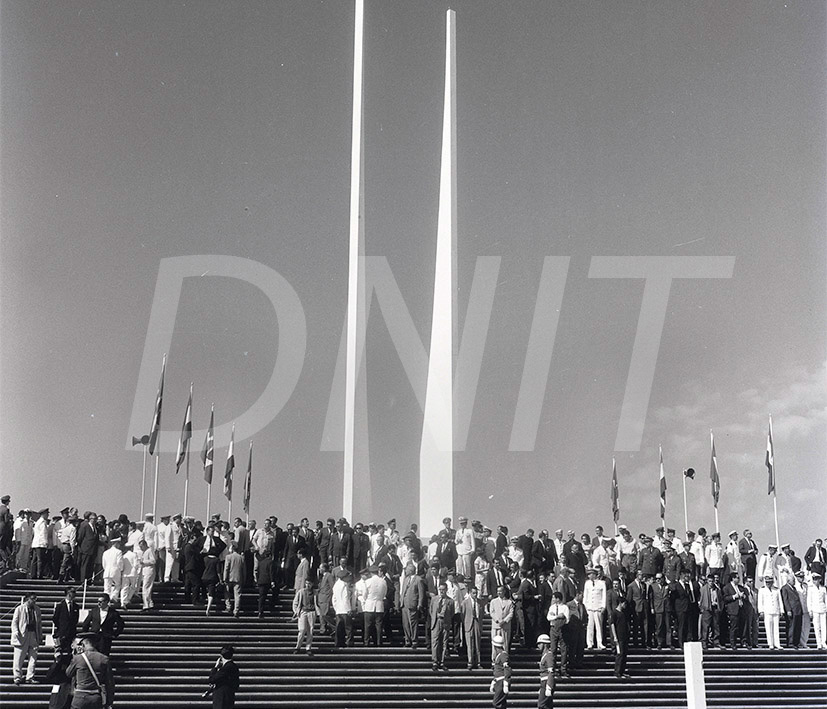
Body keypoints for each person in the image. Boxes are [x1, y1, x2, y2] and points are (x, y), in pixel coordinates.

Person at [66, 633, 115, 709]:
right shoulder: (104, 659)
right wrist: (109, 701)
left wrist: (74, 656)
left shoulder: (78, 658)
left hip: (80, 697)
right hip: (96, 698)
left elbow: (68, 673)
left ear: (84, 644)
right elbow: (110, 683)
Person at [11, 592, 43, 684]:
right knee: (19, 657)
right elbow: (14, 622)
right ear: (27, 599)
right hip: (22, 635)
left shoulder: (37, 609)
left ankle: (30, 676)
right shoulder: (19, 609)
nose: (34, 601)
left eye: (35, 599)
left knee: (33, 656)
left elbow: (39, 624)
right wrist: (16, 632)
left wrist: (40, 635)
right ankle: (17, 676)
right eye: (32, 599)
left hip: (33, 634)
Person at [400, 562, 427, 648]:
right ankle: (407, 640)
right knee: (406, 623)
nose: (405, 571)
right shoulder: (406, 579)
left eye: (407, 569)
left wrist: (420, 604)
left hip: (413, 604)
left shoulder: (418, 579)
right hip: (404, 604)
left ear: (411, 570)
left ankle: (414, 640)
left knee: (413, 623)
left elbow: (421, 593)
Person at [429, 582, 454, 671]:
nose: (441, 591)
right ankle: (435, 661)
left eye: (443, 590)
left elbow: (452, 613)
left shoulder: (450, 601)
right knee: (435, 642)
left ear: (446, 590)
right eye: (440, 590)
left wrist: (446, 619)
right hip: (436, 622)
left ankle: (442, 661)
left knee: (444, 643)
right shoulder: (434, 599)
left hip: (445, 622)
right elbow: (431, 610)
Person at [292, 578, 320, 655]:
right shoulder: (301, 592)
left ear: (312, 584)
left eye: (309, 584)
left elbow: (317, 602)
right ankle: (298, 647)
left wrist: (318, 611)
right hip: (303, 611)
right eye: (307, 583)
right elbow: (295, 602)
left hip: (311, 612)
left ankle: (308, 647)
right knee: (302, 629)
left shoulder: (315, 593)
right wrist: (296, 611)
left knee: (310, 630)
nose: (308, 585)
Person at [546, 591, 570, 678]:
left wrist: (561, 617)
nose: (553, 599)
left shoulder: (565, 607)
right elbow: (549, 617)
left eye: (554, 598)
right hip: (553, 629)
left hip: (562, 629)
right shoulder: (552, 607)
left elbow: (567, 619)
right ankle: (553, 668)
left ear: (558, 599)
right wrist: (557, 616)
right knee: (553, 649)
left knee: (564, 649)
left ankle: (563, 668)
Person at [488, 585, 514, 660]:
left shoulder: (509, 602)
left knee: (505, 644)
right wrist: (497, 620)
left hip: (505, 626)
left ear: (504, 592)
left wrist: (504, 621)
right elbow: (492, 612)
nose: (499, 593)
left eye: (500, 591)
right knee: (495, 643)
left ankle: (504, 660)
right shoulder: (493, 601)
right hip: (496, 626)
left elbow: (511, 613)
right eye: (498, 591)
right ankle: (494, 660)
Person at [52, 587, 80, 658]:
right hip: (62, 633)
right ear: (68, 593)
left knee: (71, 652)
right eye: (73, 592)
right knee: (59, 653)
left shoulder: (76, 606)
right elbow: (55, 618)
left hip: (72, 633)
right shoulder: (60, 606)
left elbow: (76, 619)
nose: (75, 594)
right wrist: (61, 627)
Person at [583, 568, 606, 650]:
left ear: (594, 575)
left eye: (591, 574)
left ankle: (600, 643)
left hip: (598, 607)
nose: (589, 576)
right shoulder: (587, 583)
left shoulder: (601, 583)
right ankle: (589, 643)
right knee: (590, 627)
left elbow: (604, 596)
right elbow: (585, 596)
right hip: (589, 608)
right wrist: (585, 607)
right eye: (588, 574)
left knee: (599, 626)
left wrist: (603, 606)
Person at [331, 569, 356, 648]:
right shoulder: (344, 585)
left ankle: (338, 642)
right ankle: (349, 642)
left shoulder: (336, 585)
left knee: (339, 628)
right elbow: (346, 598)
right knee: (348, 627)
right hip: (345, 610)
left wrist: (336, 608)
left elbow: (334, 599)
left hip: (338, 610)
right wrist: (349, 609)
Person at [461, 585, 483, 670]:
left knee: (477, 643)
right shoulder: (465, 602)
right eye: (473, 593)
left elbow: (482, 615)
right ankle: (470, 662)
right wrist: (465, 622)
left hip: (476, 622)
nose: (475, 594)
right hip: (468, 623)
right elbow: (462, 615)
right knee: (469, 644)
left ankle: (478, 662)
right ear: (470, 593)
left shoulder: (479, 602)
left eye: (476, 593)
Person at [757, 575, 783, 649]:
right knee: (768, 628)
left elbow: (780, 601)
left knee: (776, 628)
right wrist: (761, 611)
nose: (768, 583)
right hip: (767, 611)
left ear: (772, 582)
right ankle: (770, 643)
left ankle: (777, 643)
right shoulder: (762, 590)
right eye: (767, 582)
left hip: (776, 610)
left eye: (770, 582)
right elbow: (760, 601)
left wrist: (782, 610)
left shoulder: (776, 590)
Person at [780, 572, 803, 648]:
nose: (794, 581)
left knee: (797, 627)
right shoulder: (784, 588)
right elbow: (785, 600)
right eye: (793, 580)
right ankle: (790, 642)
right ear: (788, 580)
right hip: (791, 610)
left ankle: (796, 642)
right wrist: (788, 610)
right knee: (791, 627)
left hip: (798, 610)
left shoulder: (794, 588)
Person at [648, 572, 670, 649]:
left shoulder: (667, 586)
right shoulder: (653, 586)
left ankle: (669, 642)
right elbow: (651, 598)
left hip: (666, 608)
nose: (658, 580)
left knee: (668, 626)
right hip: (658, 608)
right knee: (659, 626)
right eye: (656, 578)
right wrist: (652, 608)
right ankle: (659, 642)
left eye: (659, 578)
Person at [77, 513, 99, 584]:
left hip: (93, 550)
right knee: (85, 565)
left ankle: (88, 580)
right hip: (86, 549)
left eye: (96, 519)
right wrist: (82, 547)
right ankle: (83, 581)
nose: (95, 520)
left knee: (90, 566)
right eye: (94, 519)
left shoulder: (95, 527)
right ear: (90, 519)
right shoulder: (85, 526)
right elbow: (80, 537)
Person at [490, 634, 511, 709]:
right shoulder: (499, 655)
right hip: (499, 681)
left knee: (496, 702)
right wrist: (494, 681)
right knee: (502, 703)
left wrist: (506, 681)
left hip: (502, 682)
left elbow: (507, 669)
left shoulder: (503, 655)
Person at [223, 542, 244, 617]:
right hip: (238, 578)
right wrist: (243, 578)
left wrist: (224, 578)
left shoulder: (228, 557)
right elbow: (244, 570)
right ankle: (236, 610)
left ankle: (228, 607)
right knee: (237, 595)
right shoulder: (241, 557)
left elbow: (226, 568)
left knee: (227, 592)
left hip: (229, 577)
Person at [611, 598, 631, 679]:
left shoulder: (623, 613)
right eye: (624, 604)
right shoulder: (614, 613)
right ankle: (617, 672)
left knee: (624, 654)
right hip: (619, 637)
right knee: (620, 654)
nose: (625, 606)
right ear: (620, 603)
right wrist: (615, 636)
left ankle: (622, 671)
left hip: (624, 636)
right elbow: (612, 625)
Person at [806, 572, 827, 649]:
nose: (815, 581)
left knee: (823, 627)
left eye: (816, 579)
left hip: (823, 608)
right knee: (817, 627)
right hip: (815, 609)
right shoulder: (811, 589)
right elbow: (809, 600)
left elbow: (826, 600)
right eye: (814, 580)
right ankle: (819, 643)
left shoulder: (823, 588)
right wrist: (810, 610)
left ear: (820, 580)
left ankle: (823, 642)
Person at [536, 633, 555, 709]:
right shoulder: (545, 655)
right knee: (548, 705)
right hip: (544, 682)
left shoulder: (549, 655)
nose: (538, 646)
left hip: (547, 681)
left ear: (545, 644)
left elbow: (551, 671)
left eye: (540, 643)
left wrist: (549, 686)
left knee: (541, 705)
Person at [101, 540, 124, 604]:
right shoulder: (118, 552)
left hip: (107, 571)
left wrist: (106, 569)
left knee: (106, 588)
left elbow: (104, 563)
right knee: (118, 585)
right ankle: (114, 597)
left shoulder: (106, 552)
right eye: (119, 543)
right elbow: (119, 562)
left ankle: (106, 602)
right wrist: (121, 569)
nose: (119, 545)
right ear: (116, 543)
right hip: (115, 571)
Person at [138, 538, 156, 611]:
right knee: (146, 588)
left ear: (145, 545)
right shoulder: (145, 552)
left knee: (146, 588)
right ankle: (149, 603)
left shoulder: (149, 551)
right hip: (145, 571)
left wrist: (144, 562)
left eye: (141, 546)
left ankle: (147, 604)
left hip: (149, 570)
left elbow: (153, 561)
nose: (141, 548)